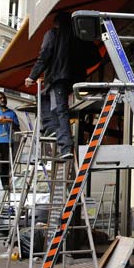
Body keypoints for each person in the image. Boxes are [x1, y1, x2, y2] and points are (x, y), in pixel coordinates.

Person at [25, 12, 88, 159]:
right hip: (73, 78)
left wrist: (32, 76)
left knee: (61, 110)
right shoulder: (77, 36)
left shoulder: (53, 34)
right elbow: (92, 55)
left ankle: (65, 145)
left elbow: (44, 54)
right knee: (44, 97)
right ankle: (51, 128)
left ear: (56, 23)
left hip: (58, 77)